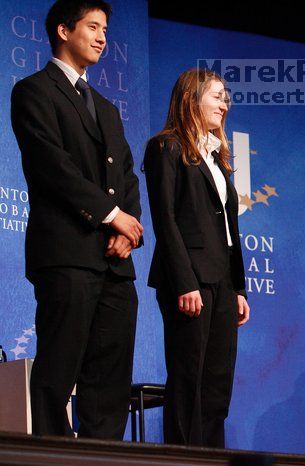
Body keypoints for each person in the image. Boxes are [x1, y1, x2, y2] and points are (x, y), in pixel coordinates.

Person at [10, 0, 143, 439]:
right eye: (93, 26)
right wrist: (111, 216)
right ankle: (52, 454)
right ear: (64, 31)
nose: (103, 36)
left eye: (105, 28)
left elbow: (125, 173)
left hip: (114, 262)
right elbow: (53, 167)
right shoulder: (34, 91)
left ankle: (104, 454)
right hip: (67, 253)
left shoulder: (105, 106)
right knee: (57, 367)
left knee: (110, 378)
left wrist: (129, 228)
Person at [143, 68, 250, 447]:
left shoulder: (218, 158)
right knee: (189, 379)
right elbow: (165, 219)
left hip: (222, 280)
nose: (225, 104)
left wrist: (238, 287)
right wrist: (185, 282)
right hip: (188, 279)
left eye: (226, 98)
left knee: (217, 384)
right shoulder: (166, 147)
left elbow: (231, 234)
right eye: (217, 96)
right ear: (192, 98)